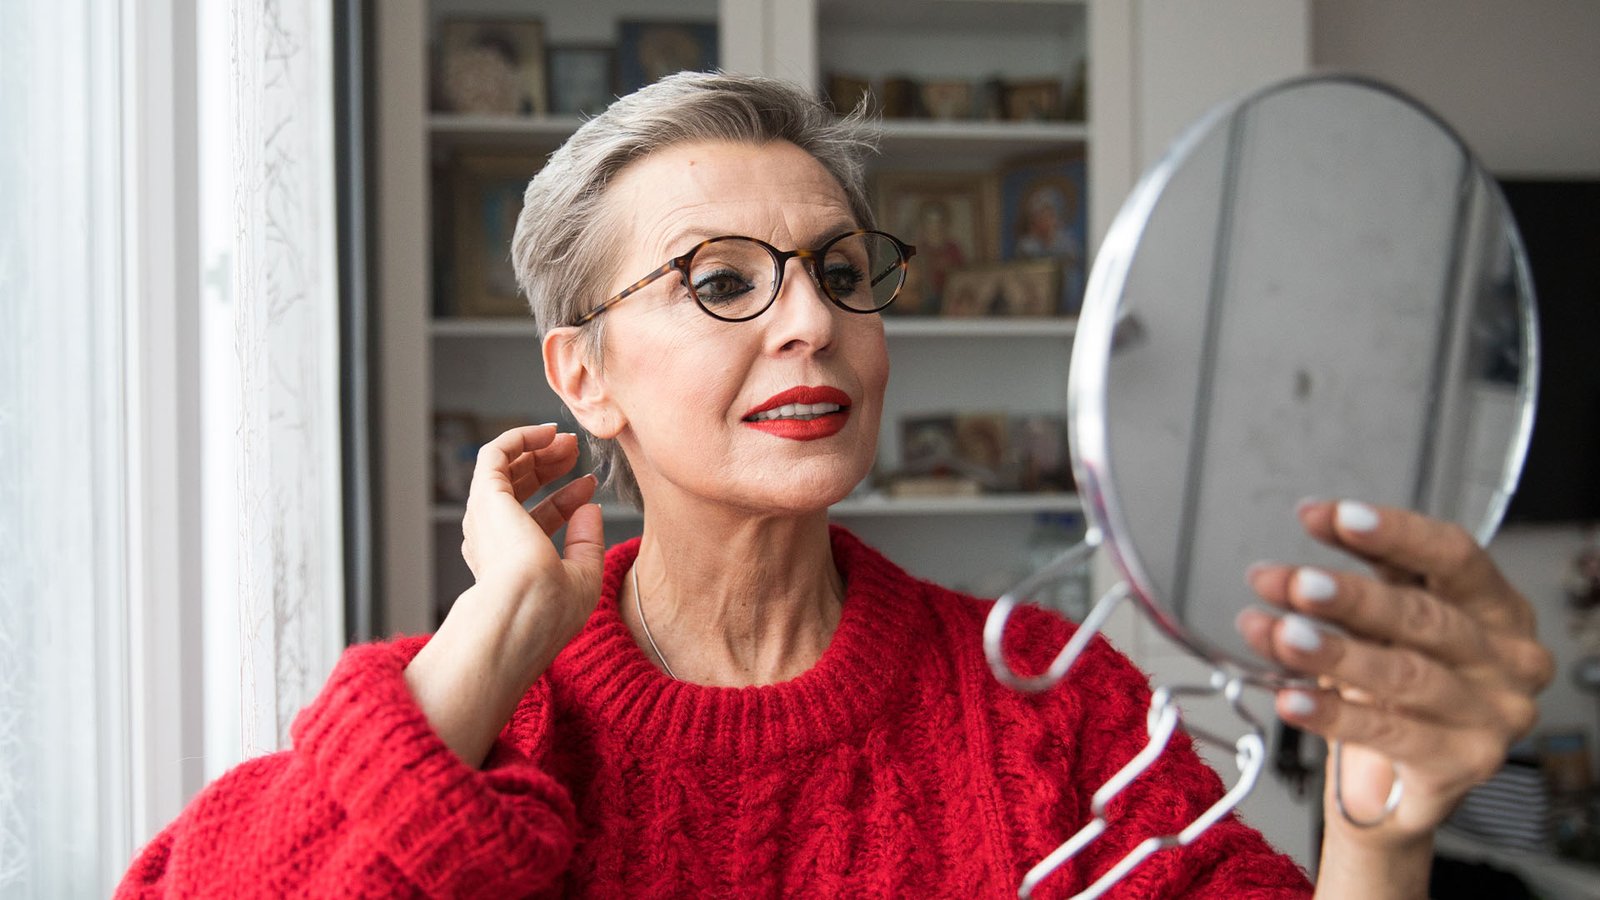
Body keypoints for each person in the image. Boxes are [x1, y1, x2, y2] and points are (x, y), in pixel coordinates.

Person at [117, 72, 1551, 898]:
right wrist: (493, 637)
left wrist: (1380, 828)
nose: (811, 321)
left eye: (840, 272)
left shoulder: (1053, 709)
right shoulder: (484, 719)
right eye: (721, 281)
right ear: (583, 374)